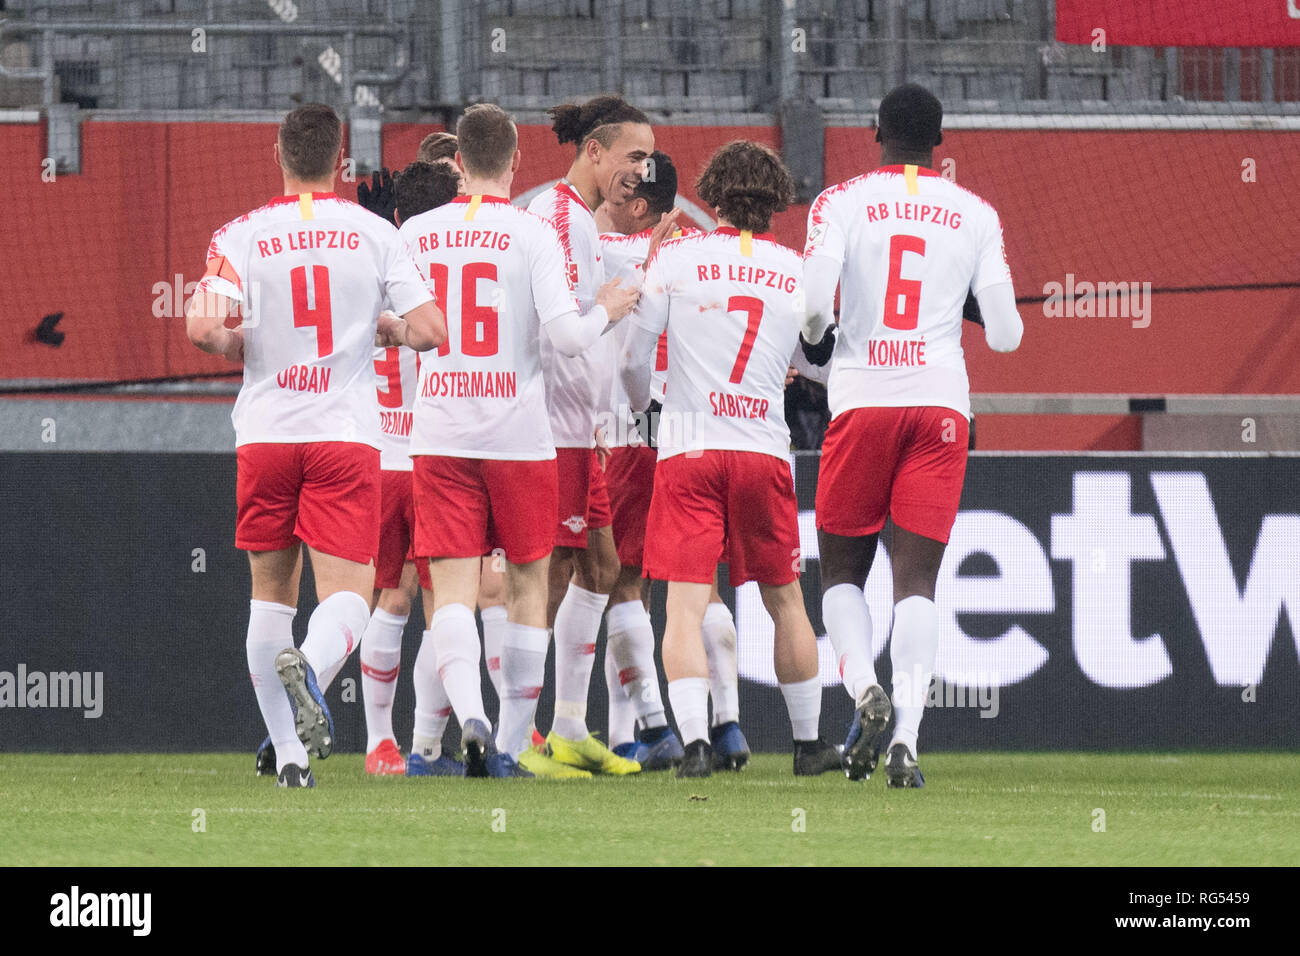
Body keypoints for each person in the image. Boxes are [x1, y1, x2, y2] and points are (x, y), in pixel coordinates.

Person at [186, 103, 446, 787]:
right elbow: (431, 330)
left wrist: (239, 342)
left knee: (268, 597)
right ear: (341, 161)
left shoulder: (241, 232)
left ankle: (292, 760)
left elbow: (201, 328)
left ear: (277, 153)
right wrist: (385, 329)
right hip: (344, 436)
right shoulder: (374, 234)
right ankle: (309, 663)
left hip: (268, 433)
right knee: (352, 596)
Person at [404, 103, 638, 778]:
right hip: (518, 435)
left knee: (449, 589)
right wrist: (609, 310)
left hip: (440, 431)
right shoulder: (531, 233)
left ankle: (466, 716)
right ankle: (509, 743)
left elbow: (396, 324)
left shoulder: (418, 233)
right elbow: (566, 338)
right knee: (528, 586)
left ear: (457, 164)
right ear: (514, 162)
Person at [801, 83, 1023, 787]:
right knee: (917, 583)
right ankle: (908, 742)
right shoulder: (976, 213)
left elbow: (812, 309)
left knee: (841, 574)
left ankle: (863, 683)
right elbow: (1011, 335)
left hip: (864, 400)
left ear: (875, 132)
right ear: (940, 140)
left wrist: (822, 335)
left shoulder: (839, 202)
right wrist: (963, 303)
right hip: (940, 408)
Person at [621, 140, 843, 779]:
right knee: (787, 602)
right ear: (774, 201)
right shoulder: (796, 270)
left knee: (684, 607)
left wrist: (647, 414)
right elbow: (818, 364)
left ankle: (693, 743)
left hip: (689, 449)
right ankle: (807, 745)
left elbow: (637, 359)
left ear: (712, 195)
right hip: (761, 450)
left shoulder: (680, 258)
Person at [526, 95, 670, 777]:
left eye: (650, 158)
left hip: (586, 425)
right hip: (555, 425)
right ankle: (520, 735)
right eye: (633, 155)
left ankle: (570, 728)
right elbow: (564, 333)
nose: (643, 171)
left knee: (602, 568)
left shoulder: (574, 220)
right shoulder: (558, 219)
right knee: (553, 570)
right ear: (594, 151)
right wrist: (617, 302)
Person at [597, 151, 749, 771]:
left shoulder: (607, 255)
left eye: (614, 198)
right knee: (697, 583)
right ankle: (730, 725)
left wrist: (637, 416)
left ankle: (658, 727)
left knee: (619, 581)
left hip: (637, 428)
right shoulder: (705, 255)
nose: (604, 207)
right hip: (698, 430)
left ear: (637, 205)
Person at [361, 160, 465, 777]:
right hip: (431, 455)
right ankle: (427, 746)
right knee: (446, 601)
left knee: (383, 601)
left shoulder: (370, 264)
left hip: (376, 458)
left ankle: (381, 744)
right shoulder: (437, 278)